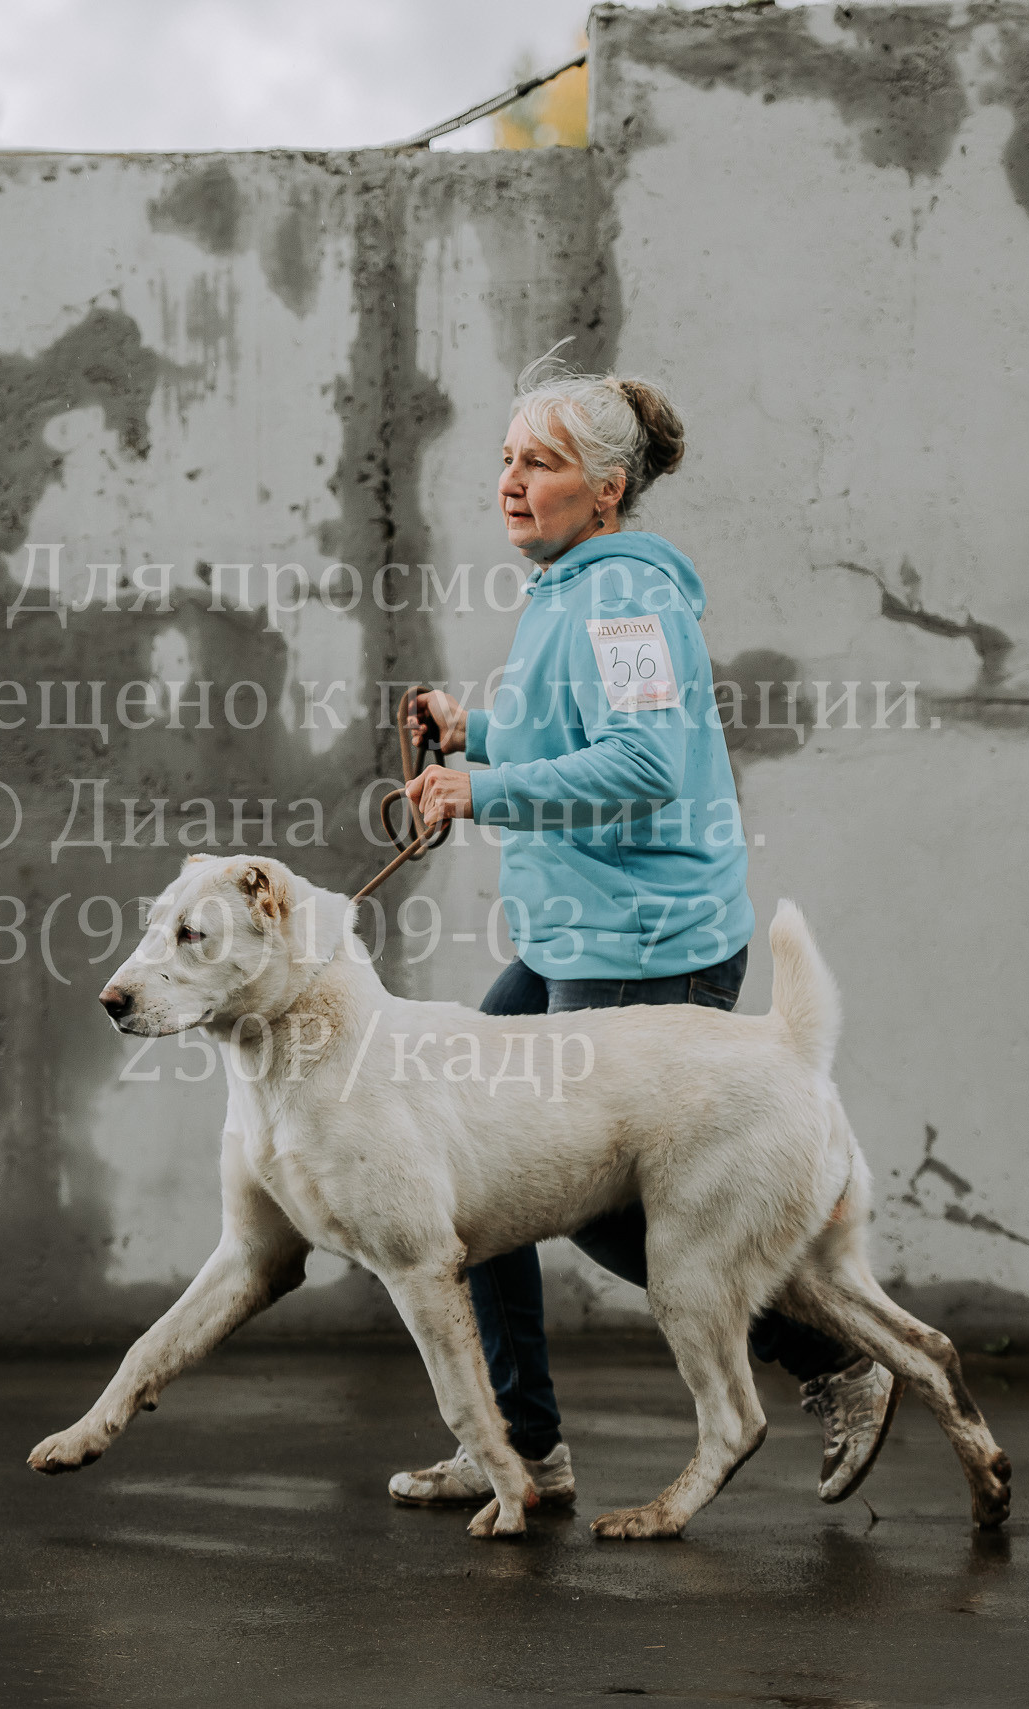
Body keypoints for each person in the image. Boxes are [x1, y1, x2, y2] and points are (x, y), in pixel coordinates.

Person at [386, 361, 900, 1512]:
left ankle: (837, 1356)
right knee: (469, 1171)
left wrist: (477, 789)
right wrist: (473, 730)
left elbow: (644, 762)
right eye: (507, 458)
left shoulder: (624, 599)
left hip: (643, 942)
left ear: (607, 490)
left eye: (540, 463)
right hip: (576, 937)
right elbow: (569, 728)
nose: (509, 481)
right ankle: (520, 1446)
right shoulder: (570, 586)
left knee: (605, 1210)